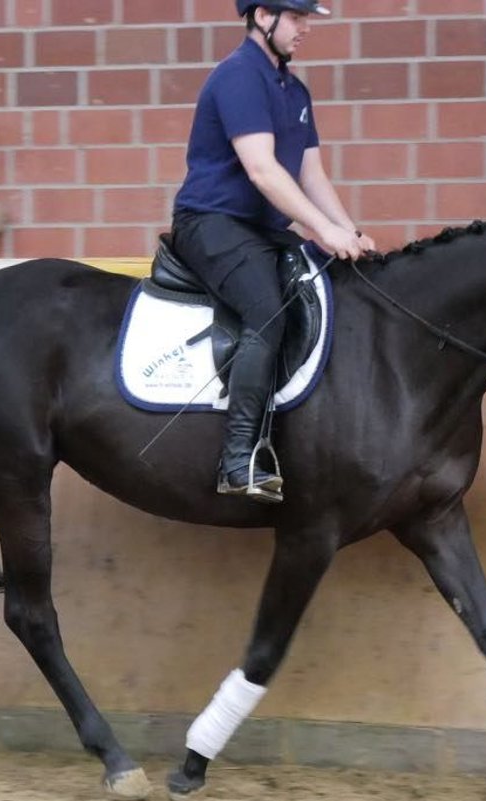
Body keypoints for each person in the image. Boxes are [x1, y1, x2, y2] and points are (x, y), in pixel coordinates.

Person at [171, 0, 375, 502]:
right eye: (297, 17)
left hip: (259, 231)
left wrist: (348, 232)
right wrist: (320, 229)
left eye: (308, 18)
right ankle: (239, 459)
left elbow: (311, 174)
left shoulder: (294, 89)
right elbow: (263, 170)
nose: (306, 28)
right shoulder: (239, 77)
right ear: (264, 15)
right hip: (212, 225)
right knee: (267, 311)